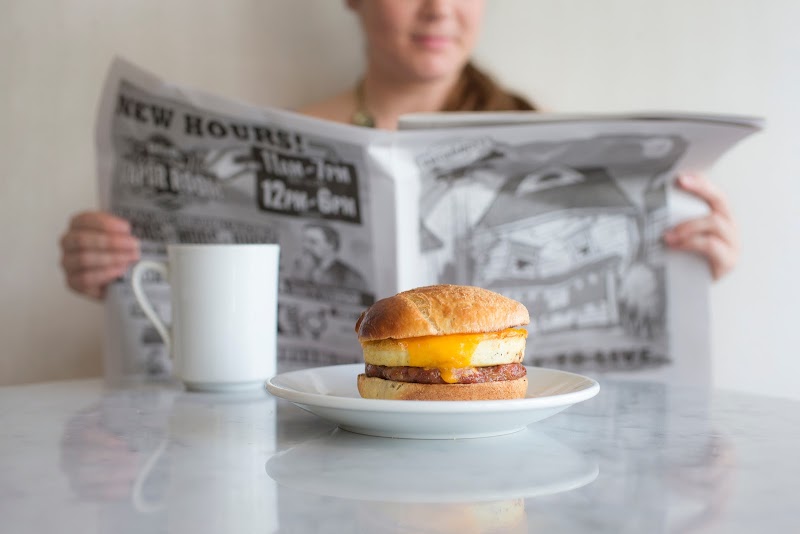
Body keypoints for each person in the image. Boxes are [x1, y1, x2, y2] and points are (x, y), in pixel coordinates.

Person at [59, 0, 738, 300]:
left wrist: (686, 258)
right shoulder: (274, 139)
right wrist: (117, 269)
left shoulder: (550, 142)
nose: (439, 8)